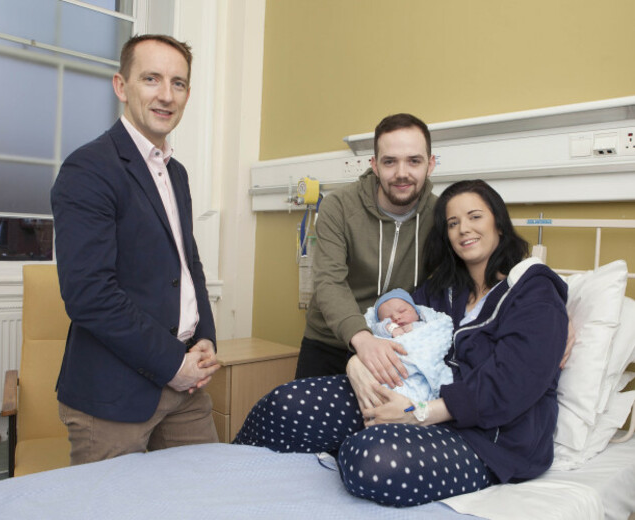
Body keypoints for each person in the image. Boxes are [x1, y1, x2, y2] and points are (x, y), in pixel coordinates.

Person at [234, 179, 568, 507]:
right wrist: (355, 363)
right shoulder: (443, 290)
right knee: (287, 404)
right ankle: (220, 480)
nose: (463, 228)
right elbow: (387, 323)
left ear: (499, 222)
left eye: (475, 216)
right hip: (412, 395)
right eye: (453, 223)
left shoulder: (533, 292)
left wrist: (417, 414)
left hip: (490, 439)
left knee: (370, 456)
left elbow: (511, 385)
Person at [51, 34, 220, 465]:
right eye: (151, 79)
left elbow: (189, 264)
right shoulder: (89, 169)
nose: (167, 95)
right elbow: (89, 295)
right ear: (121, 86)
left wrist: (204, 338)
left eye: (178, 83)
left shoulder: (174, 172)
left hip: (186, 388)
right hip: (115, 396)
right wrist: (172, 364)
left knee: (205, 499)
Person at [297, 113, 438, 389]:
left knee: (378, 430)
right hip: (330, 343)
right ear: (374, 165)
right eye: (389, 161)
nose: (401, 173)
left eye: (414, 160)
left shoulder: (440, 215)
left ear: (430, 164)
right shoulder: (338, 206)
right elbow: (329, 282)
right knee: (306, 428)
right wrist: (362, 339)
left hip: (397, 347)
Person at [367, 288, 453, 403]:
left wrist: (414, 327)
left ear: (416, 311)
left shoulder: (426, 325)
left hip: (424, 368)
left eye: (402, 311)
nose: (396, 317)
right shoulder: (386, 330)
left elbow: (438, 333)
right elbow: (376, 329)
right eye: (388, 318)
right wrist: (390, 327)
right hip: (394, 374)